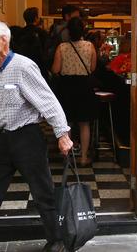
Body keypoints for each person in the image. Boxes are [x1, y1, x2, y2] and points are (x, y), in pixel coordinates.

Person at [0, 20, 73, 252]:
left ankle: (56, 240)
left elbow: (48, 102)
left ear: (4, 40)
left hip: (26, 139)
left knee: (43, 193)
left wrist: (62, 134)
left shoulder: (23, 67)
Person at [52, 17, 98, 167]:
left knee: (67, 124)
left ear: (69, 32)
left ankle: (67, 158)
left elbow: (56, 69)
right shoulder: (90, 46)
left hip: (67, 87)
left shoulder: (61, 47)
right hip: (84, 87)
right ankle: (84, 157)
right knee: (84, 124)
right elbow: (92, 68)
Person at [14, 7, 50, 81]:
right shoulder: (42, 33)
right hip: (39, 68)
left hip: (22, 67)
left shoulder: (19, 33)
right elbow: (46, 51)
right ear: (36, 18)